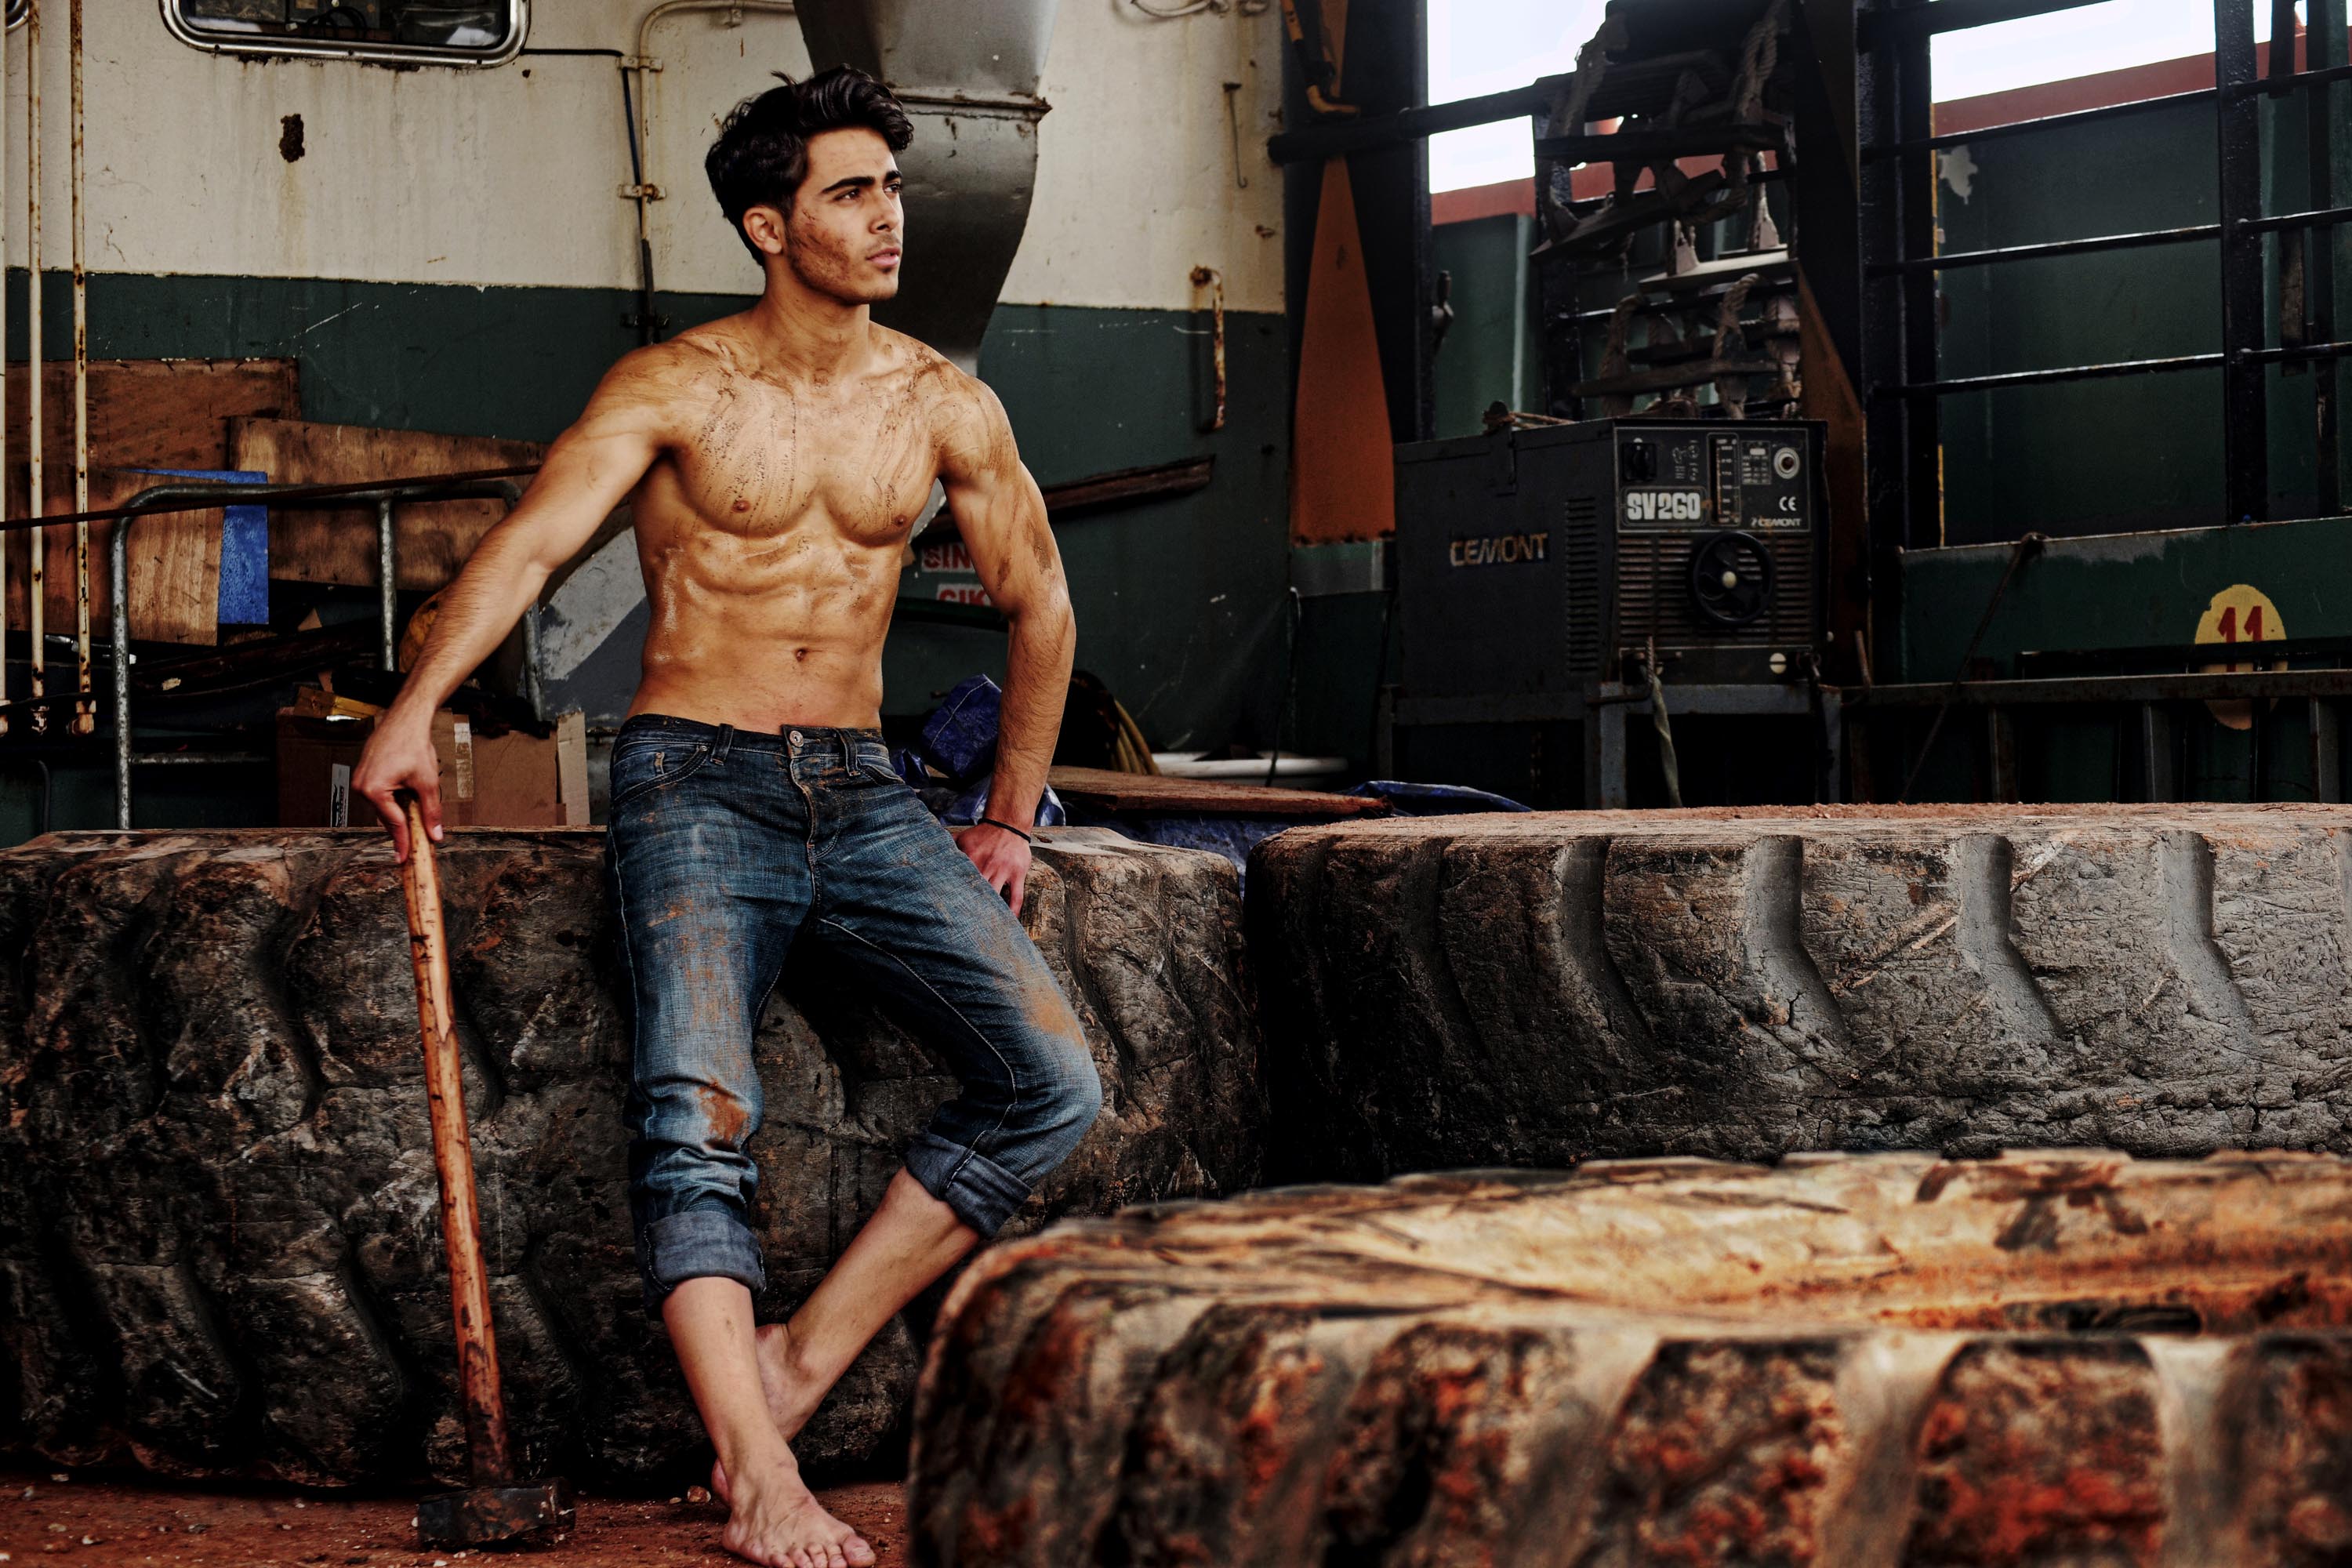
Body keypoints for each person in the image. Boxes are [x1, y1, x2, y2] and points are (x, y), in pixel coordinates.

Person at [350, 67, 1098, 1568]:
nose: (887, 217)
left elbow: (1043, 605)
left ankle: (795, 1364)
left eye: (891, 187)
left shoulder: (943, 402)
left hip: (865, 788)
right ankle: (761, 1477)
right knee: (697, 1120)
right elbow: (531, 551)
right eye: (849, 192)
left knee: (1052, 1084)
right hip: (694, 779)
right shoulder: (674, 387)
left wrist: (1010, 815)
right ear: (768, 226)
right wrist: (414, 704)